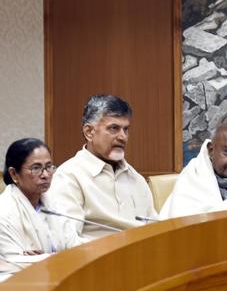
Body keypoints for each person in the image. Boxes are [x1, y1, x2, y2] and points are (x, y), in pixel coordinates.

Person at [47, 95, 156, 240]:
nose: (122, 137)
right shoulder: (69, 176)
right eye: (113, 128)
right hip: (99, 259)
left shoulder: (137, 179)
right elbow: (67, 241)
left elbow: (155, 231)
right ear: (89, 132)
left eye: (126, 129)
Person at [0, 139, 82, 258]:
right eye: (36, 168)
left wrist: (43, 258)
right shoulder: (4, 211)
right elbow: (13, 262)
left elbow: (74, 246)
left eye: (49, 167)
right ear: (14, 174)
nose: (45, 175)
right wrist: (53, 257)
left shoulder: (54, 203)